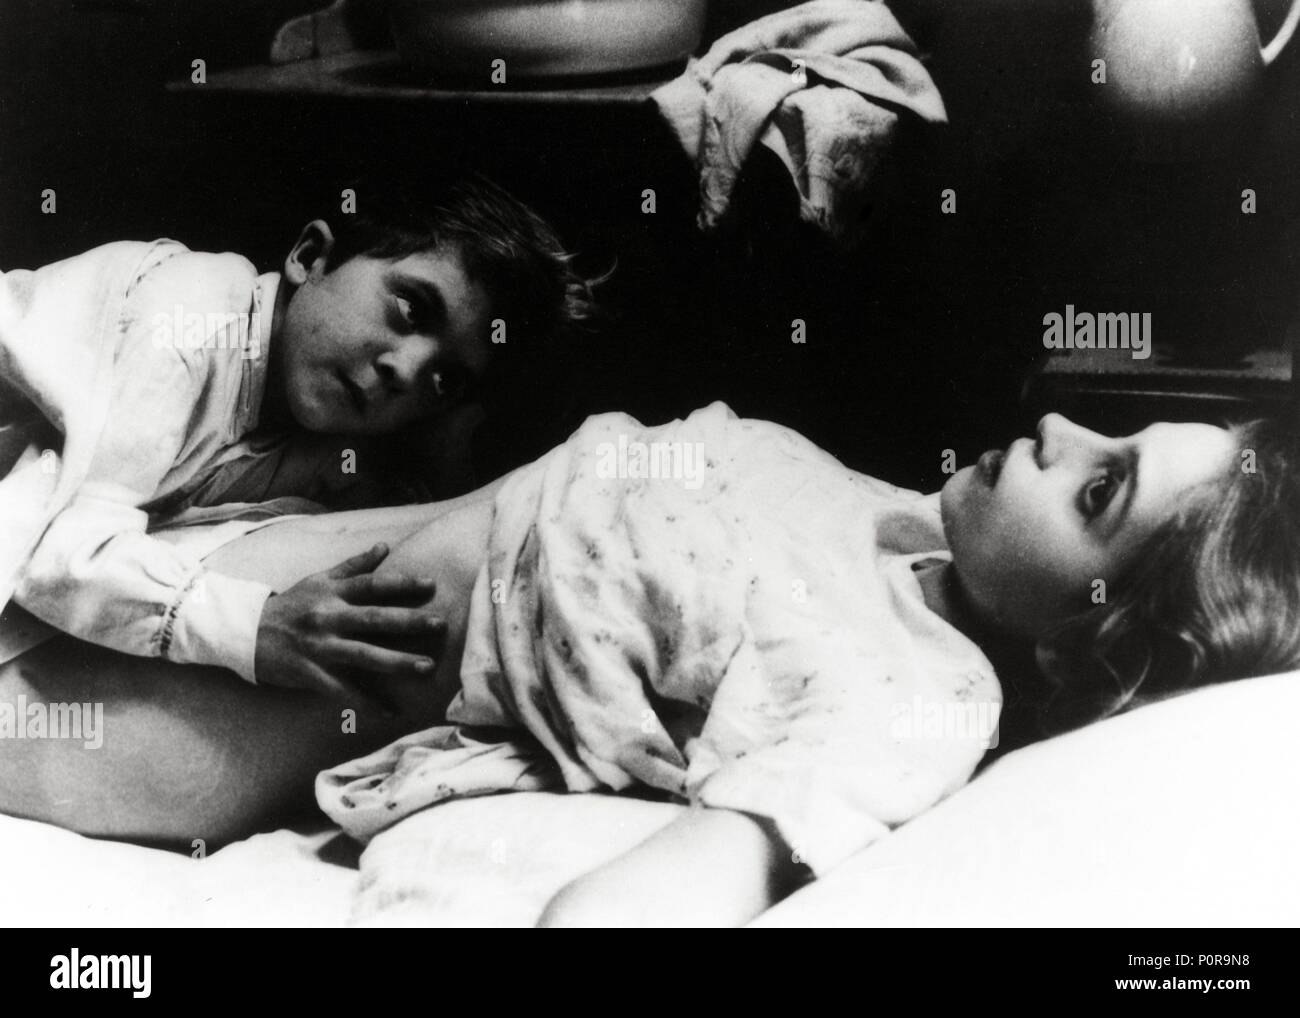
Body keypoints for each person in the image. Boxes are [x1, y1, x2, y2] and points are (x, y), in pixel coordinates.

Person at [1, 407, 1293, 927]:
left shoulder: (916, 704)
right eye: (1115, 431)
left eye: (1101, 490)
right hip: (351, 547)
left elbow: (707, 868)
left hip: (326, 681)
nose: (1060, 426)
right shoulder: (916, 528)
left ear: (1079, 640)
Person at [0, 171, 595, 704]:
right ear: (310, 257)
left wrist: (447, 442)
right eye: (412, 309)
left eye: (444, 379)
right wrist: (254, 626)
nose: (406, 370)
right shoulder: (192, 321)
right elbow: (61, 554)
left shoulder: (310, 431)